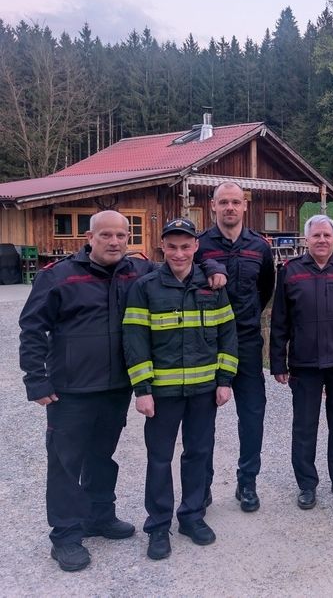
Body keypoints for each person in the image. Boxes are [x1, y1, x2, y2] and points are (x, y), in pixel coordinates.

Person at [18, 210, 225, 572]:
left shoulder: (137, 272)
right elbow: (32, 328)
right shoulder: (58, 277)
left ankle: (100, 515)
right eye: (106, 236)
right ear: (89, 237)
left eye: (121, 236)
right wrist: (36, 379)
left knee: (102, 456)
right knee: (66, 462)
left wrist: (209, 266)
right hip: (71, 388)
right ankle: (66, 535)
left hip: (116, 386)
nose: (114, 242)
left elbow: (181, 259)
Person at [122, 218, 238, 561]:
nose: (178, 252)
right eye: (172, 246)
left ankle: (191, 516)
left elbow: (227, 335)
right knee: (160, 459)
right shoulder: (145, 287)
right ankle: (158, 525)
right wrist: (142, 390)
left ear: (196, 248)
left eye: (185, 246)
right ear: (162, 247)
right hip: (162, 393)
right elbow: (135, 341)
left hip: (204, 390)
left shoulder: (213, 286)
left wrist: (224, 381)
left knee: (198, 454)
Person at [270, 214, 333, 510]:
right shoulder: (290, 272)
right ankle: (307, 485)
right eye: (316, 236)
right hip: (304, 364)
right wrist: (278, 362)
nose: (322, 240)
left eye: (327, 235)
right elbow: (279, 322)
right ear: (307, 239)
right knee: (305, 426)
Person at [195, 181, 275, 513]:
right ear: (213, 207)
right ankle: (201, 486)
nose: (230, 207)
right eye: (223, 202)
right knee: (201, 417)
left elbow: (267, 289)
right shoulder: (198, 246)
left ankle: (247, 482)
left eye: (235, 202)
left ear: (245, 206)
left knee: (252, 414)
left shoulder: (260, 247)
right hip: (205, 343)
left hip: (246, 341)